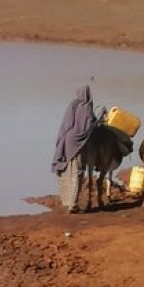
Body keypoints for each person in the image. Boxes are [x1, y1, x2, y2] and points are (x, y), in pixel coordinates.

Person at [52, 85, 98, 214]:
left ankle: (67, 201)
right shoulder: (87, 107)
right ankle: (73, 205)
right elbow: (87, 127)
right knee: (77, 173)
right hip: (77, 144)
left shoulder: (73, 104)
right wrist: (97, 121)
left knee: (67, 171)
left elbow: (66, 123)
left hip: (67, 140)